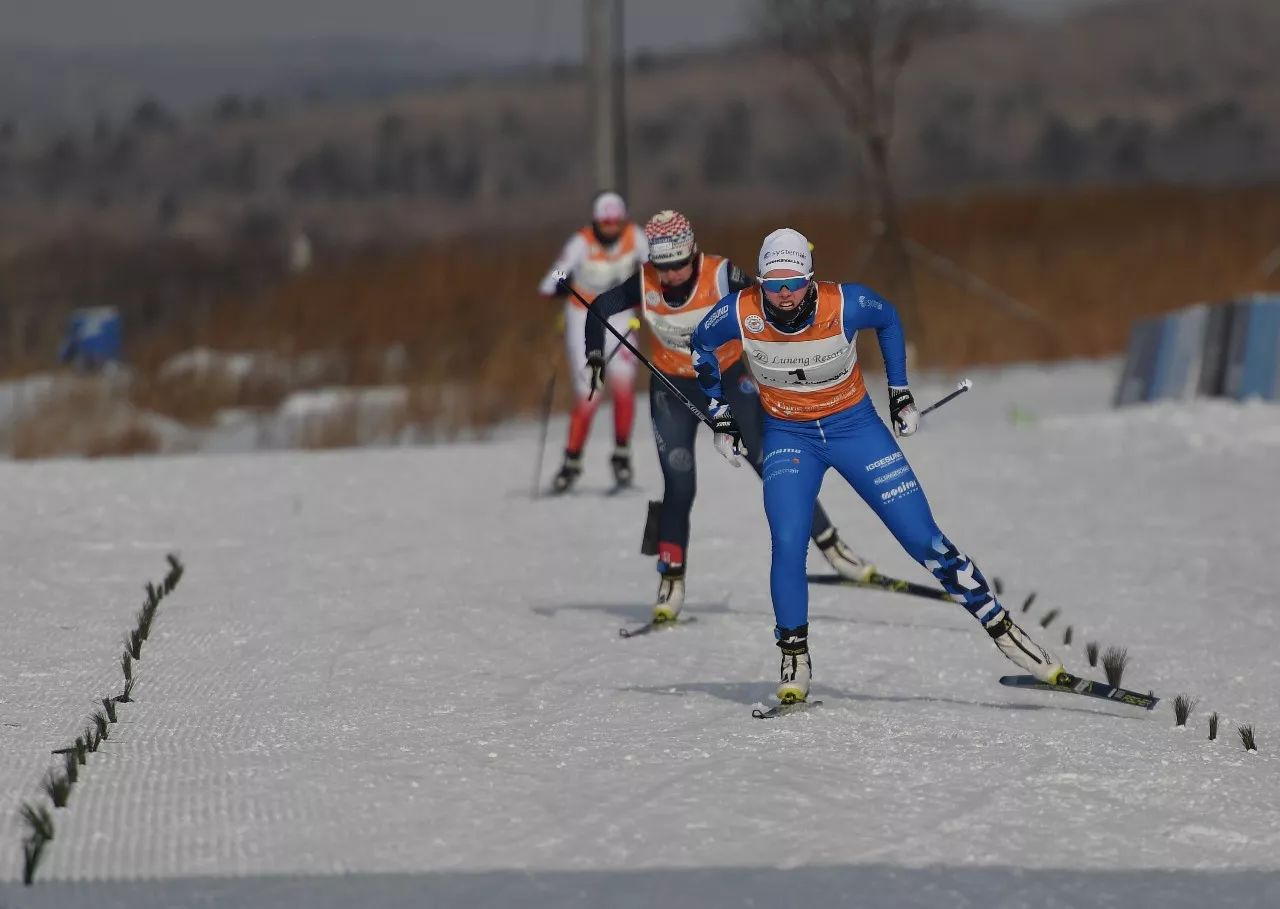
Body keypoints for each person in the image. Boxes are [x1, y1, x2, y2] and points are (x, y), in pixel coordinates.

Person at [690, 227, 1064, 704]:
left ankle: (1002, 628)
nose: (784, 295)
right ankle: (794, 654)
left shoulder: (845, 303)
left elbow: (889, 319)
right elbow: (700, 344)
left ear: (811, 277)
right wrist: (722, 418)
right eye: (773, 284)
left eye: (794, 283)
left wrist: (900, 392)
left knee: (921, 538)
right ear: (760, 281)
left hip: (855, 430)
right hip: (788, 436)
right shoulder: (740, 311)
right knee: (787, 542)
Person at [584, 211, 877, 624]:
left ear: (693, 254)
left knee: (772, 462)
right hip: (670, 388)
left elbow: (769, 302)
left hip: (726, 381)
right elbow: (599, 307)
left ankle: (832, 546)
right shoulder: (645, 280)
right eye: (662, 267)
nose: (670, 276)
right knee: (679, 482)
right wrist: (595, 354)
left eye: (678, 265)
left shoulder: (721, 274)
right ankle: (671, 576)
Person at [538, 191, 648, 493]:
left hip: (620, 316)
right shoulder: (581, 242)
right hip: (583, 317)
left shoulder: (635, 236)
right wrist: (563, 282)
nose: (611, 228)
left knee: (624, 385)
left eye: (616, 221)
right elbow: (554, 277)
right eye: (605, 221)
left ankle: (622, 455)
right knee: (591, 391)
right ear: (596, 221)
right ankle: (571, 461)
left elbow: (656, 268)